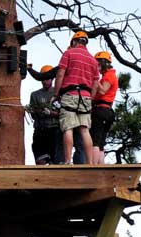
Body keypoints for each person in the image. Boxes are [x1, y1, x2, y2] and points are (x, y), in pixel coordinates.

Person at [53, 31, 100, 164]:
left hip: (70, 94)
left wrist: (56, 94)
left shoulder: (68, 53)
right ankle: (90, 163)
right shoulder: (93, 60)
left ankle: (68, 161)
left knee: (68, 128)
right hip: (86, 96)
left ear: (74, 41)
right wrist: (90, 97)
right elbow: (96, 83)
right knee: (85, 130)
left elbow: (60, 74)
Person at [28, 65, 61, 164]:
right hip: (40, 129)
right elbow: (33, 115)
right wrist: (34, 111)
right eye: (42, 79)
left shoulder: (58, 93)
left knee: (54, 160)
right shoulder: (35, 95)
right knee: (39, 158)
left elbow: (63, 113)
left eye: (46, 79)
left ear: (52, 79)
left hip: (54, 130)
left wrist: (51, 113)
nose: (44, 81)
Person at [90, 51, 118, 164]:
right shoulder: (109, 75)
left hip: (101, 109)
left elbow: (102, 90)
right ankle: (101, 166)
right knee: (100, 143)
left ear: (102, 63)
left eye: (97, 64)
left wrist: (94, 78)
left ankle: (93, 167)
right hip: (107, 111)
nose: (96, 67)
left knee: (95, 141)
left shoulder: (109, 75)